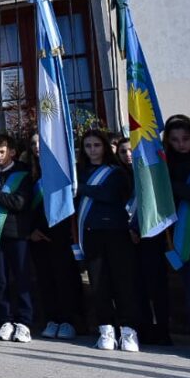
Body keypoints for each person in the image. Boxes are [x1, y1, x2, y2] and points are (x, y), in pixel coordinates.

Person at [76, 128, 141, 352]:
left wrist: (81, 189)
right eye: (88, 146)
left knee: (123, 282)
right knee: (98, 283)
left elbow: (110, 195)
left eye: (96, 145)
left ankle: (128, 330)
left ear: (105, 146)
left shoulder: (116, 172)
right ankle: (106, 329)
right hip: (92, 233)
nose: (92, 150)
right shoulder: (80, 171)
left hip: (117, 233)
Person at [27, 132, 83, 341]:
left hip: (61, 236)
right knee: (45, 280)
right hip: (38, 237)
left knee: (65, 279)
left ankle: (69, 320)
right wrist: (31, 230)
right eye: (33, 144)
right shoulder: (30, 175)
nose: (37, 147)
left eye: (40, 143)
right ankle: (52, 318)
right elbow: (26, 207)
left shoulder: (65, 170)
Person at [163, 115, 190, 360]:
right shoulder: (165, 167)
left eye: (186, 139)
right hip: (184, 238)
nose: (181, 144)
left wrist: (175, 187)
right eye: (175, 140)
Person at [0, 134, 35, 343]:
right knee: (0, 280)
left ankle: (24, 322)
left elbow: (18, 202)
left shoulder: (22, 173)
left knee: (21, 279)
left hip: (18, 234)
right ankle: (5, 319)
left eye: (2, 152)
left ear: (12, 152)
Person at [124, 139, 171, 345]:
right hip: (128, 239)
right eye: (123, 151)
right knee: (136, 287)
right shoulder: (119, 175)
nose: (127, 154)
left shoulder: (151, 171)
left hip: (152, 235)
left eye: (130, 150)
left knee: (157, 285)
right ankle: (143, 328)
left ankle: (162, 329)